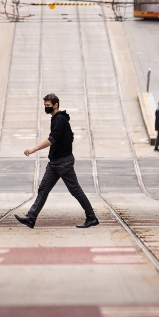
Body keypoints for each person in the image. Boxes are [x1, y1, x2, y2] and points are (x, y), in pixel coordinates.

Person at [15, 93, 98, 229]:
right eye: (45, 106)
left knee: (75, 190)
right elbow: (69, 136)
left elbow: (53, 138)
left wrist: (34, 148)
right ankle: (31, 218)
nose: (46, 108)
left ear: (56, 105)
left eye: (48, 106)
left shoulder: (59, 119)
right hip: (55, 163)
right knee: (43, 189)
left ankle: (92, 217)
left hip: (63, 163)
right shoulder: (58, 119)